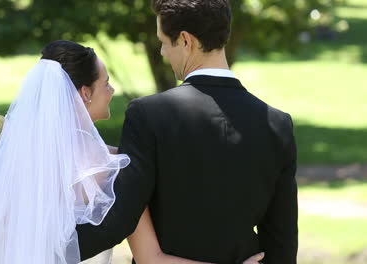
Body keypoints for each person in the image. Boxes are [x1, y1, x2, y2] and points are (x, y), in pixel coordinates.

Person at [0, 40, 263, 264]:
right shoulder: (108, 167)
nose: (112, 90)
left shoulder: (20, 160)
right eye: (106, 83)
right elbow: (152, 258)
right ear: (85, 94)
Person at [76, 1, 299, 264]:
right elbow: (282, 241)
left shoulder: (149, 115)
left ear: (185, 40)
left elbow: (120, 219)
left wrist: (46, 247)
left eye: (163, 42)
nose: (161, 51)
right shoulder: (277, 124)